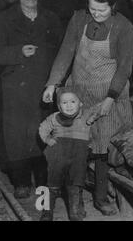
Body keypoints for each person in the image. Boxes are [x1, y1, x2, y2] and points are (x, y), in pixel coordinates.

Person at [42, 0, 133, 216]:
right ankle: (76, 200)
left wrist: (110, 99)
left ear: (113, 6)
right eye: (92, 9)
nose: (95, 14)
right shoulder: (79, 19)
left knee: (102, 147)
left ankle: (101, 198)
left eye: (101, 10)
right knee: (75, 144)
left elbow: (124, 68)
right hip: (79, 90)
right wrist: (53, 83)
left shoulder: (124, 27)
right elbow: (66, 51)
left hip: (107, 91)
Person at [0, 0, 63, 199]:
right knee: (17, 136)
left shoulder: (51, 18)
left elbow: (62, 50)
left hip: (45, 85)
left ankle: (44, 180)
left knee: (44, 131)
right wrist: (17, 52)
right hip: (15, 87)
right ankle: (21, 182)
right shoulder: (2, 20)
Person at [39, 87, 101, 221]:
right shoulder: (54, 118)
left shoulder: (86, 116)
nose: (68, 106)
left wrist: (91, 144)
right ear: (59, 106)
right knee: (52, 185)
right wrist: (48, 140)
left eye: (73, 102)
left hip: (78, 157)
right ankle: (47, 212)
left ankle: (75, 211)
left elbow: (99, 111)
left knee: (75, 184)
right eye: (64, 103)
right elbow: (43, 128)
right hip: (57, 156)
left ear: (80, 104)